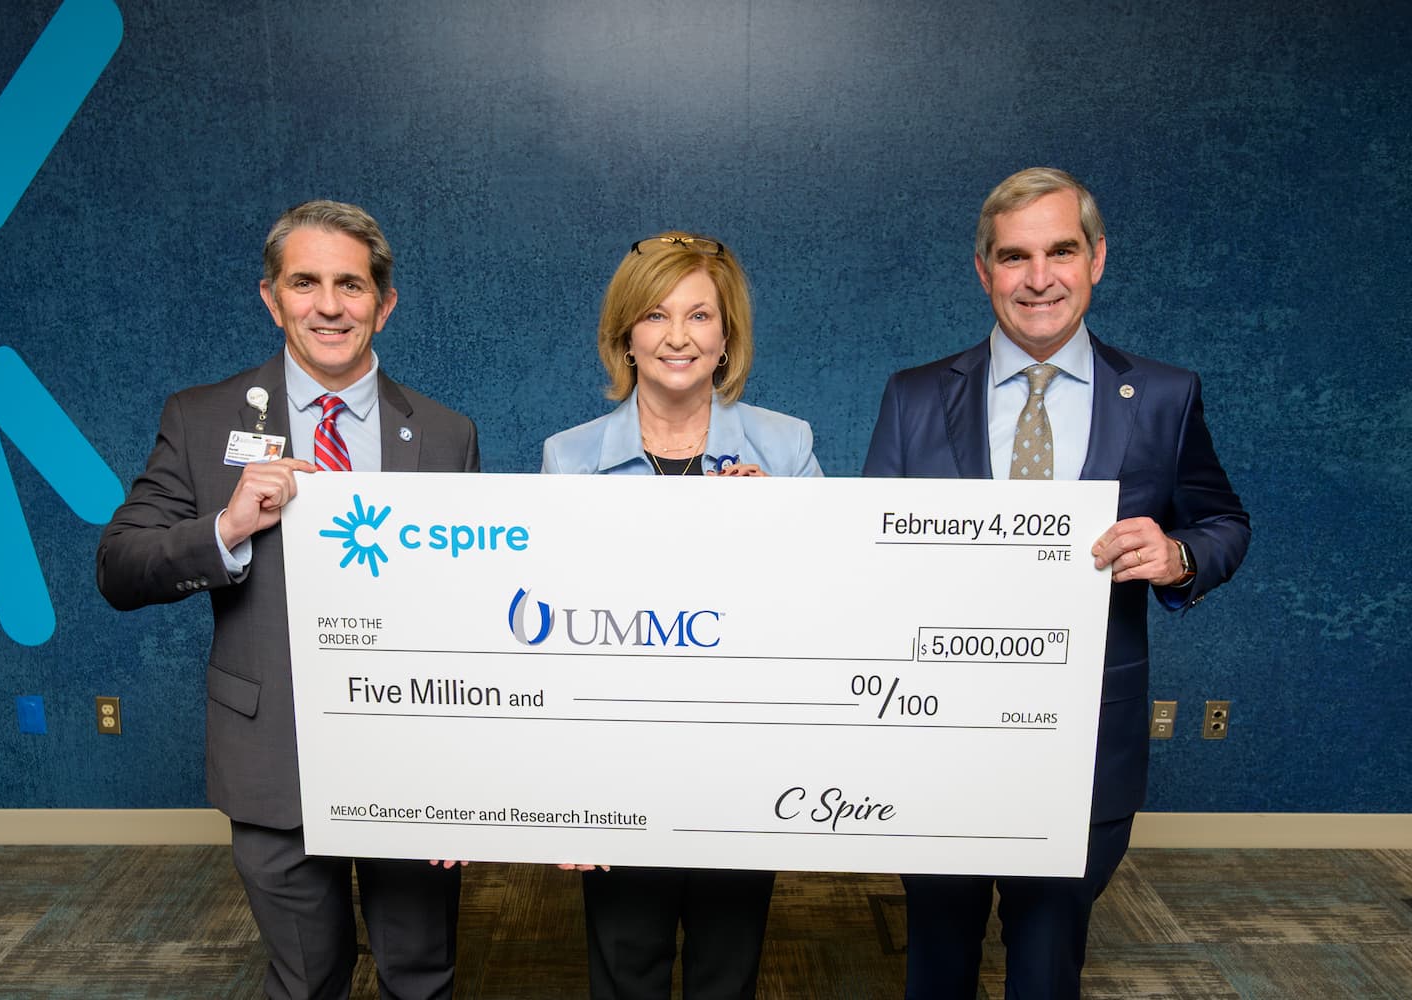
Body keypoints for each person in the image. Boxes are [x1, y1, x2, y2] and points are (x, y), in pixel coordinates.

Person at [863, 168, 1250, 999]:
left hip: (1085, 742)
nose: (1039, 278)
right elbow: (870, 559)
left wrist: (1178, 554)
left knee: (1045, 964)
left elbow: (1223, 525)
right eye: (1015, 257)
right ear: (984, 271)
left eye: (1060, 251)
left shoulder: (1163, 397)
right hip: (938, 736)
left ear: (1097, 258)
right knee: (936, 956)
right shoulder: (915, 397)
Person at [97, 200, 479, 1000]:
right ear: (272, 298)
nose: (330, 306)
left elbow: (466, 607)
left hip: (409, 758)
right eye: (305, 283)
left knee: (420, 975)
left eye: (351, 284)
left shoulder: (446, 435)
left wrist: (465, 778)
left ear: (386, 302)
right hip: (272, 755)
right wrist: (228, 527)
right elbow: (120, 567)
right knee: (305, 981)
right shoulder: (202, 420)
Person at [542, 232, 821, 998]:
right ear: (624, 336)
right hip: (618, 757)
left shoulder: (787, 446)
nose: (677, 336)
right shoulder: (567, 458)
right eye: (656, 315)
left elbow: (828, 604)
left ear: (727, 337)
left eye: (700, 316)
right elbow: (552, 639)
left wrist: (783, 524)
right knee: (625, 966)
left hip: (743, 752)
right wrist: (567, 794)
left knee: (726, 972)